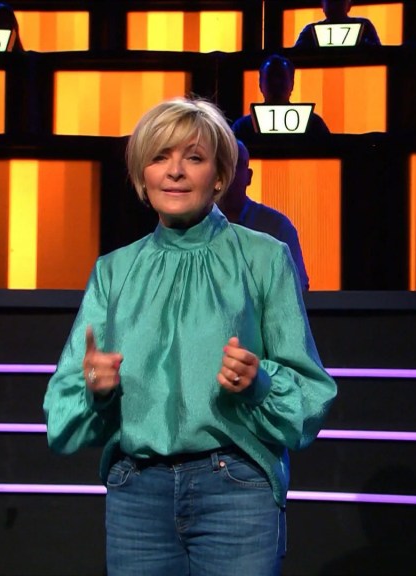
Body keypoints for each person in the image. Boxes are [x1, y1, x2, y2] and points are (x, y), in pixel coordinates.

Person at [44, 97, 337, 575]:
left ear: (219, 176)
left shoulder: (266, 257)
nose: (175, 171)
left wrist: (259, 382)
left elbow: (309, 394)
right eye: (160, 157)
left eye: (194, 158)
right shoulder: (113, 270)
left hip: (235, 489)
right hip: (137, 491)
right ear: (142, 177)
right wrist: (95, 388)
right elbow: (63, 410)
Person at [217, 140, 310, 291]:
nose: (227, 174)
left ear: (249, 176)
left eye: (235, 165)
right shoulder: (191, 226)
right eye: (220, 165)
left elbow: (296, 288)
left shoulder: (277, 227)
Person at [232, 54, 331, 144]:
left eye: (281, 77)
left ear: (292, 84)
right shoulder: (242, 128)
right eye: (270, 77)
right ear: (260, 84)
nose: (276, 82)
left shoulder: (314, 124)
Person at [294, 0, 381, 48]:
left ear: (349, 4)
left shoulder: (365, 25)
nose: (334, 4)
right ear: (322, 5)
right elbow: (296, 56)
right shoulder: (309, 30)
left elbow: (377, 53)